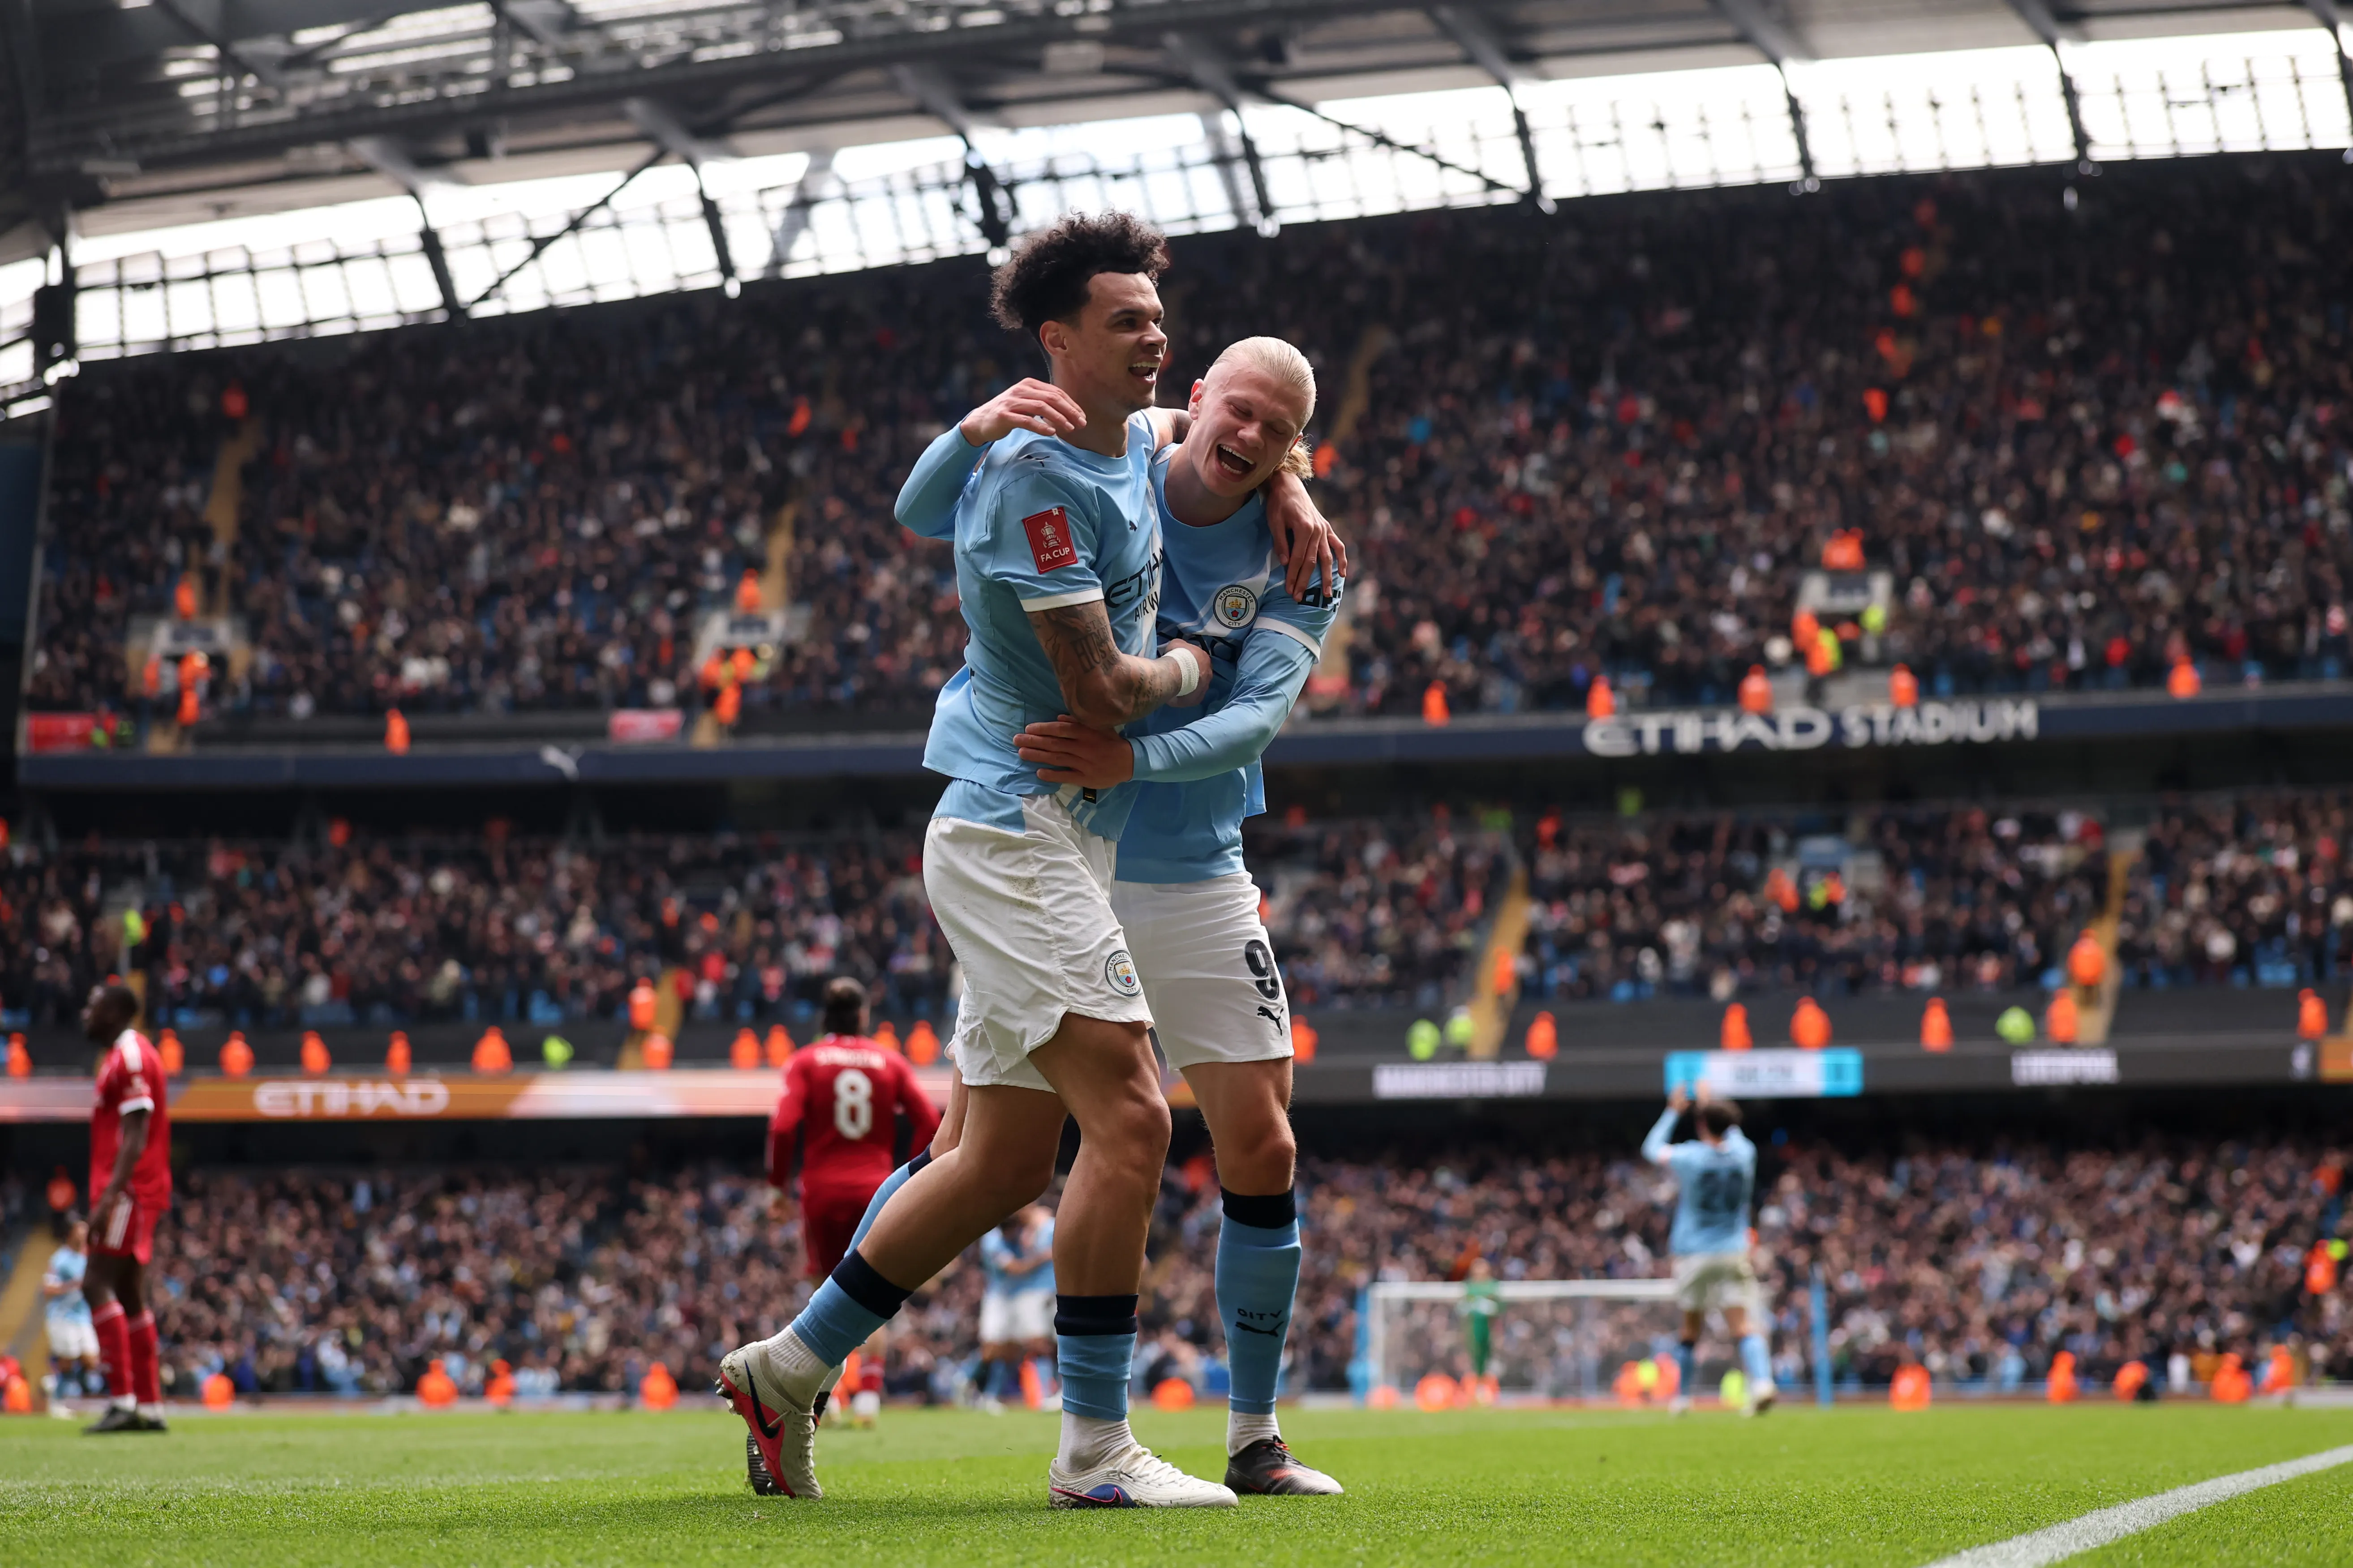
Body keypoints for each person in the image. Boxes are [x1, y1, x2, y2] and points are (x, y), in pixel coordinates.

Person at [719, 212, 1234, 1509]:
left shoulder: (1125, 439)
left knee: (1002, 1158)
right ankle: (1094, 1450)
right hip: (1016, 829)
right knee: (1127, 1114)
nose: (1154, 335)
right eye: (1125, 320)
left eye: (1156, 316)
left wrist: (1273, 475)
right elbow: (1103, 692)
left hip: (1040, 832)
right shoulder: (1037, 478)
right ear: (1056, 342)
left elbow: (1196, 434)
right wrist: (1195, 666)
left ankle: (786, 1366)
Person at [895, 335, 1347, 1495]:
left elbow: (1253, 722)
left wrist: (1126, 755)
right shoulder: (1115, 451)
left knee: (1263, 1139)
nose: (1245, 438)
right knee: (980, 1155)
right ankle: (806, 1355)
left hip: (1191, 857)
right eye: (1233, 411)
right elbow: (940, 505)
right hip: (1059, 847)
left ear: (1295, 449)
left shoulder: (1305, 559)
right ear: (1194, 397)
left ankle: (1253, 1435)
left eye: (1275, 434)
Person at [763, 977, 940, 1441]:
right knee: (873, 1292)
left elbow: (783, 1128)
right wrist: (912, 1171)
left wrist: (777, 1188)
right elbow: (928, 1119)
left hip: (821, 1190)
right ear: (863, 1015)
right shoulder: (889, 1061)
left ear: (824, 1016)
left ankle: (831, 1398)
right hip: (876, 1187)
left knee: (826, 1290)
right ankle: (868, 1396)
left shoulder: (805, 1061)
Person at [1641, 1084, 1776, 1416]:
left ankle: (1683, 1398)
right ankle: (1762, 1383)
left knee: (1690, 1327)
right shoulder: (1745, 1154)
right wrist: (1710, 1103)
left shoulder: (1691, 1157)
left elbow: (1652, 1149)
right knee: (1742, 1324)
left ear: (1702, 1125)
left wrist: (1674, 1110)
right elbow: (1734, 1133)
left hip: (1694, 1252)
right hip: (1733, 1250)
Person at [81, 982, 172, 1434]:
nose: (85, 1014)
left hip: (129, 1191)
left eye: (92, 1006)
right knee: (131, 1294)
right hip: (133, 1190)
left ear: (116, 1011)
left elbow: (135, 1135)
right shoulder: (123, 1055)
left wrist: (109, 1198)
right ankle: (150, 1406)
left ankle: (123, 1399)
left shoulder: (131, 1056)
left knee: (95, 1282)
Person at [976, 1204, 1056, 1409]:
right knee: (994, 1349)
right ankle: (969, 1383)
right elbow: (1016, 1268)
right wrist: (1045, 1256)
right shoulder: (992, 1241)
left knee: (1032, 1345)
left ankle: (1046, 1394)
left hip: (1023, 1297)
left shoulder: (1027, 1233)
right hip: (999, 1299)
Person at [43, 1215, 98, 1401]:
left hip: (83, 1316)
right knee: (67, 1360)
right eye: (80, 1231)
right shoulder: (60, 1259)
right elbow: (48, 1288)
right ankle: (57, 1399)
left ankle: (73, 1388)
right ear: (71, 1234)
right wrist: (72, 1285)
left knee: (92, 1360)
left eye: (86, 1231)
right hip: (63, 1316)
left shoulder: (88, 1258)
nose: (84, 1235)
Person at [1462, 1256, 1500, 1396]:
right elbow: (1464, 1306)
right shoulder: (1469, 1286)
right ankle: (1476, 1388)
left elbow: (1499, 1306)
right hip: (1473, 1329)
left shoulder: (1492, 1285)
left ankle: (1487, 1388)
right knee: (1474, 1357)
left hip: (1490, 1329)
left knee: (1489, 1357)